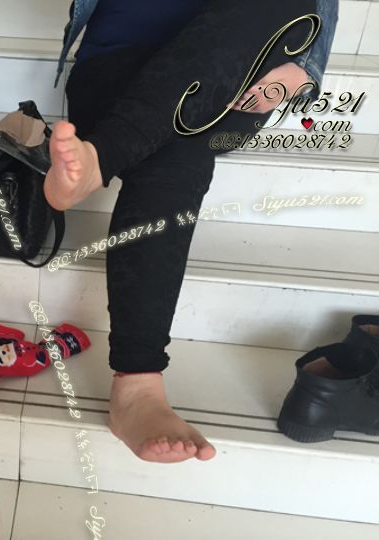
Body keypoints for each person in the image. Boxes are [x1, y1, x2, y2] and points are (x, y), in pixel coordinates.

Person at [45, 0, 338, 462]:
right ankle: (137, 387)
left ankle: (101, 159)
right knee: (185, 142)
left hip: (239, 76)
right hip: (116, 68)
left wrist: (299, 71)